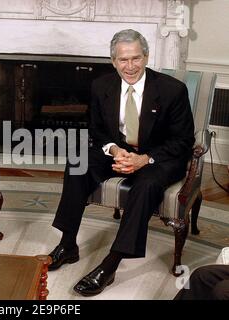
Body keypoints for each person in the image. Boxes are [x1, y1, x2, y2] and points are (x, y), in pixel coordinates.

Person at [47, 29, 195, 297]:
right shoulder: (101, 86)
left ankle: (110, 264)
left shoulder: (172, 90)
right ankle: (68, 244)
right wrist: (115, 151)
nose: (130, 66)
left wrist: (143, 160)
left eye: (136, 58)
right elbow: (97, 130)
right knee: (78, 161)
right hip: (119, 151)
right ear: (113, 61)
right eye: (123, 60)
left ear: (147, 56)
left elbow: (183, 141)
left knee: (147, 185)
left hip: (160, 156)